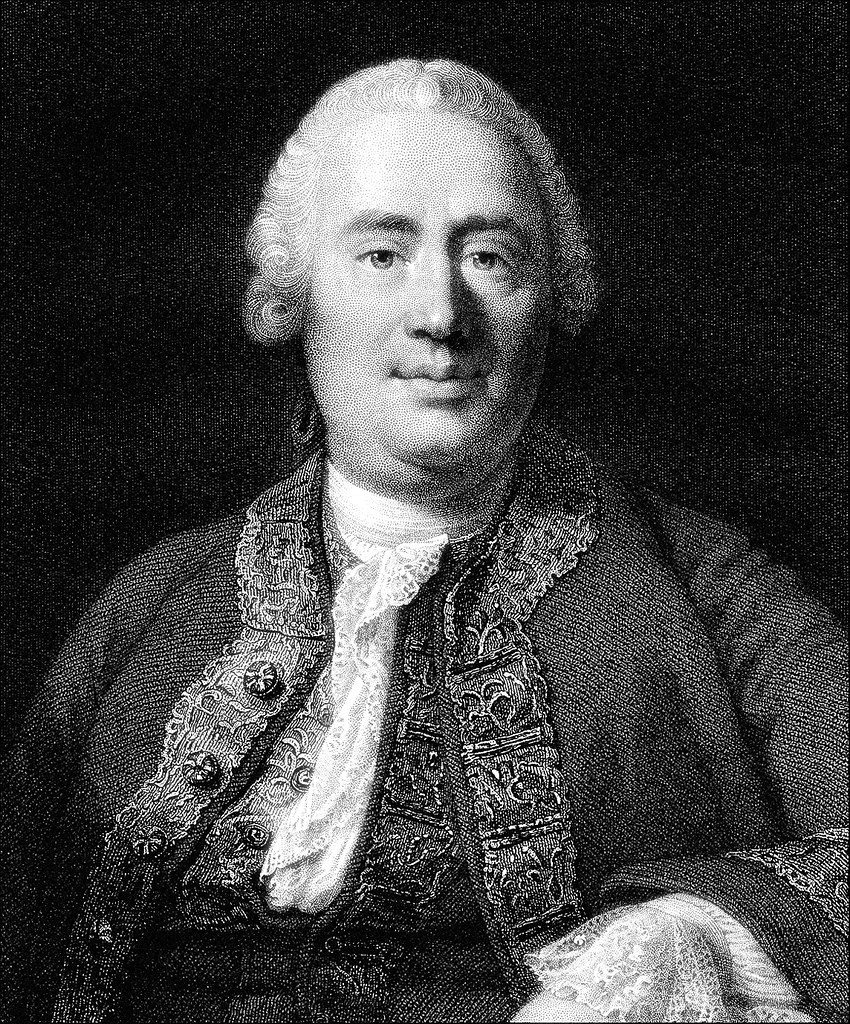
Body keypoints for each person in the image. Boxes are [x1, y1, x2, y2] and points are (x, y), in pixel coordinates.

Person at [1, 58, 846, 1024]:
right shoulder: (152, 606)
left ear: (553, 296)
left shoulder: (709, 589)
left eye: (490, 257)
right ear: (292, 296)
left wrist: (695, 933)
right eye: (382, 255)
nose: (441, 315)